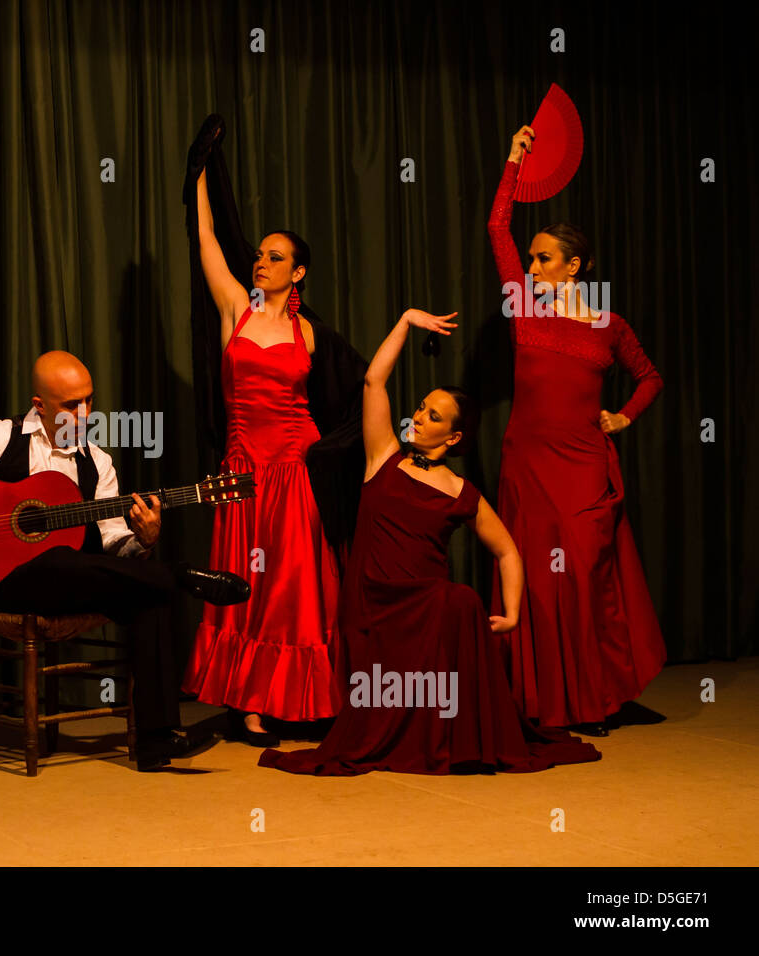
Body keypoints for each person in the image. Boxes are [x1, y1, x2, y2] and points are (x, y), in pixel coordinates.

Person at [259, 310, 602, 775]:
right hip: (374, 602)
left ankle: (456, 737)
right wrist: (403, 322)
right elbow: (373, 384)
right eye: (421, 407)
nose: (418, 416)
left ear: (454, 436)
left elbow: (508, 552)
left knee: (459, 601)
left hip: (427, 603)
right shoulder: (384, 456)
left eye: (432, 415)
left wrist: (515, 612)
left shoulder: (462, 492)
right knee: (455, 603)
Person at [0, 350, 251, 771]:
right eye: (71, 405)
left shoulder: (97, 462)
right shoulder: (0, 438)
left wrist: (143, 540)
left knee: (146, 592)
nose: (84, 413)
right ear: (40, 406)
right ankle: (178, 576)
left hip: (78, 580)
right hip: (3, 577)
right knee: (60, 559)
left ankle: (156, 744)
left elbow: (111, 542)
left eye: (89, 400)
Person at [179, 114, 367, 747]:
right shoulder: (238, 306)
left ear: (299, 273)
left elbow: (354, 393)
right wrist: (199, 169)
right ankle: (249, 704)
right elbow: (204, 238)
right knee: (242, 587)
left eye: (275, 256)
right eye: (259, 253)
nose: (261, 262)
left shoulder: (309, 332)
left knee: (289, 591)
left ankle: (293, 700)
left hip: (293, 471)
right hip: (241, 472)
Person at [487, 125, 666, 735]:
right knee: (536, 578)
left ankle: (590, 698)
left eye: (544, 259)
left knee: (583, 577)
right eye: (531, 257)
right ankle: (537, 700)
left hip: (585, 464)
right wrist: (513, 163)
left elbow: (650, 379)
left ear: (574, 266)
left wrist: (623, 417)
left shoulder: (607, 324)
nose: (532, 266)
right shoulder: (523, 306)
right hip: (528, 463)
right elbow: (496, 230)